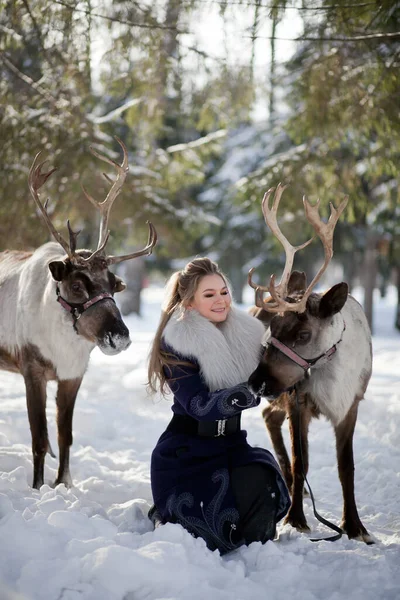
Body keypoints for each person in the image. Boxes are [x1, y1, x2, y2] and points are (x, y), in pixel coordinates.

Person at [147, 258, 290, 554]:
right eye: (209, 295)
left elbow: (277, 372)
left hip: (231, 445)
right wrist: (255, 389)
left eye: (223, 292)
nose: (220, 300)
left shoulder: (248, 333)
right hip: (187, 453)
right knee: (213, 525)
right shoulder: (177, 341)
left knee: (262, 479)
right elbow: (200, 406)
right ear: (189, 303)